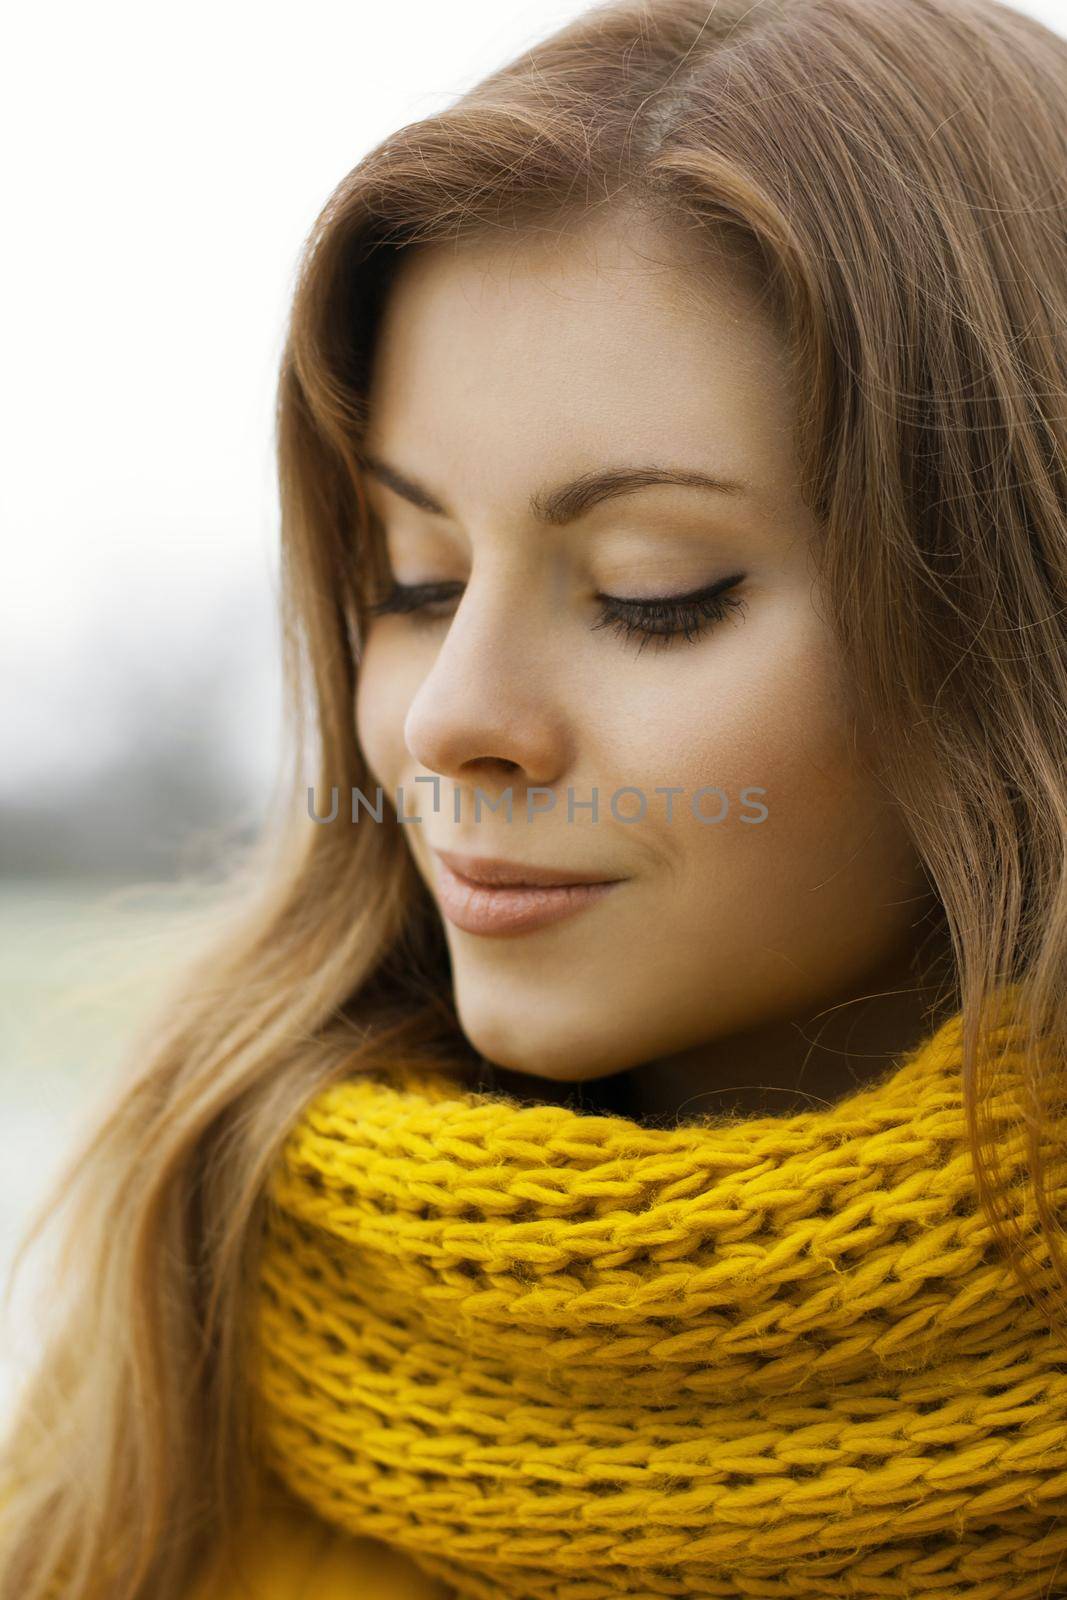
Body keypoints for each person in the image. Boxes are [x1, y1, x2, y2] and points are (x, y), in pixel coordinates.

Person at [3, 0, 1067, 1595]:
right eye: (417, 580)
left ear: (1016, 625)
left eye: (658, 591)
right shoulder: (185, 1341)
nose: (450, 722)